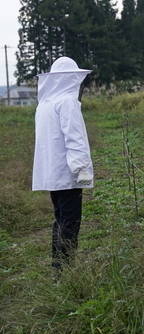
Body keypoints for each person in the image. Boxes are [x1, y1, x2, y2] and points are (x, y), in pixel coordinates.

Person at [32, 56, 94, 271]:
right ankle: (66, 271)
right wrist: (82, 172)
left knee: (59, 220)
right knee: (70, 222)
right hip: (68, 175)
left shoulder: (45, 105)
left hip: (52, 175)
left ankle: (58, 267)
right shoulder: (67, 102)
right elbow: (75, 139)